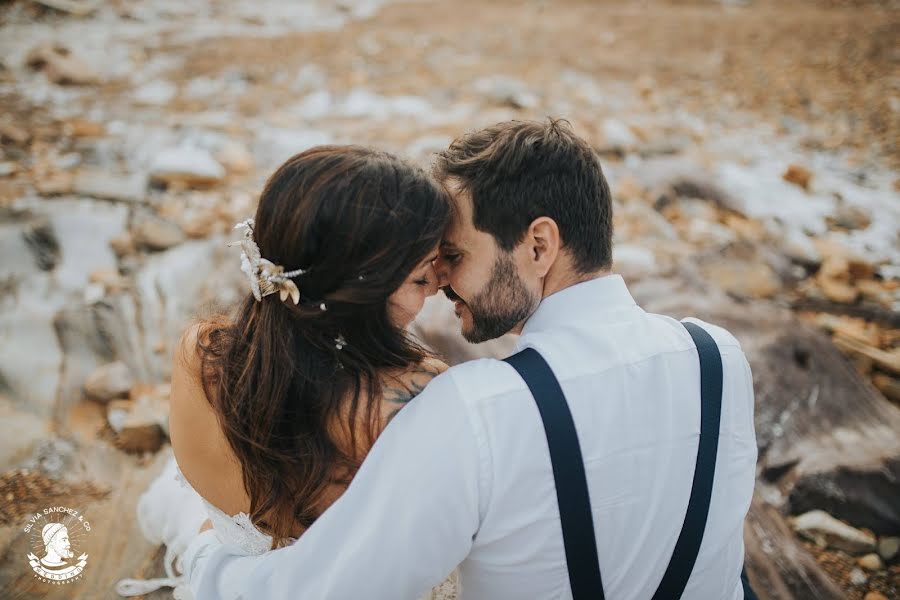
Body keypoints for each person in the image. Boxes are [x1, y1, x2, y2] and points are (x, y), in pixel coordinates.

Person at [184, 119, 758, 599]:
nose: (442, 280)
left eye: (455, 254)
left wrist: (202, 557)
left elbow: (321, 591)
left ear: (539, 246)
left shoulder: (475, 411)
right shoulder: (720, 356)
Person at [116, 145, 459, 599]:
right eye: (421, 278)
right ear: (361, 289)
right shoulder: (415, 397)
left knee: (182, 504)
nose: (438, 286)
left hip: (233, 571)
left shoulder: (202, 352)